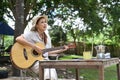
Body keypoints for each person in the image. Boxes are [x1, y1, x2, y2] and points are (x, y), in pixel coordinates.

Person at [15, 15, 69, 80]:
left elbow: (47, 52)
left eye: (45, 22)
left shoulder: (47, 37)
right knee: (49, 69)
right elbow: (18, 39)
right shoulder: (31, 34)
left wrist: (61, 50)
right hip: (33, 62)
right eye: (42, 22)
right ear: (37, 25)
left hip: (45, 61)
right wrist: (34, 46)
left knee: (50, 69)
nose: (45, 24)